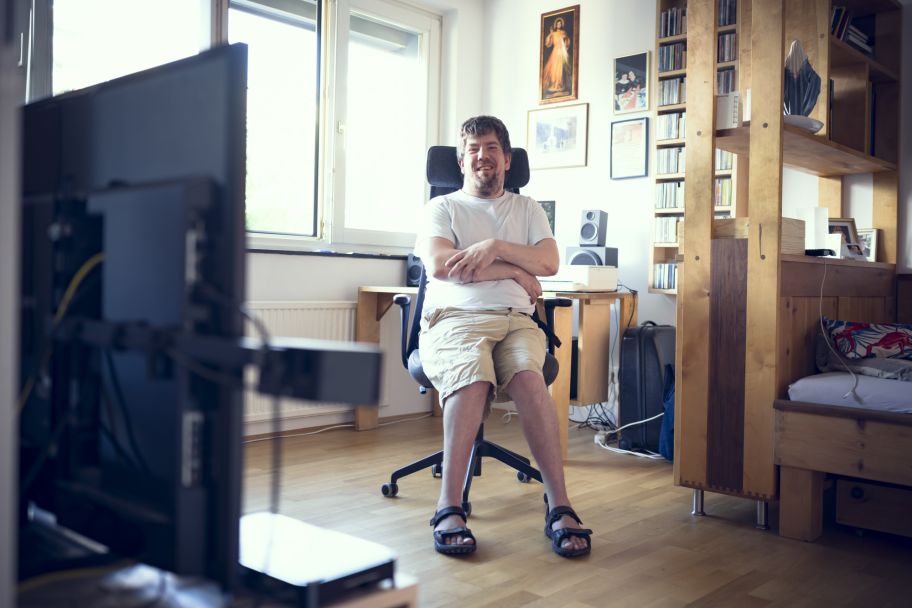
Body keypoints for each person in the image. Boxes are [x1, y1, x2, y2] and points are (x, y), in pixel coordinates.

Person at [415, 115, 592, 558]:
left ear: (507, 159)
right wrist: (514, 268)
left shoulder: (528, 209)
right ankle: (449, 506)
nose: (482, 156)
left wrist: (492, 247)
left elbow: (548, 263)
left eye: (491, 147)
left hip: (516, 320)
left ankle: (560, 505)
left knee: (531, 381)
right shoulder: (443, 208)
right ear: (460, 161)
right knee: (472, 379)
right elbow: (442, 266)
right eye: (473, 149)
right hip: (455, 318)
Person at [542, 17, 571, 96]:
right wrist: (550, 34)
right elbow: (548, 43)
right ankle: (554, 84)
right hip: (555, 51)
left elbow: (567, 42)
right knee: (554, 68)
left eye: (560, 23)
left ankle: (559, 84)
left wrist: (565, 38)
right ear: (556, 25)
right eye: (558, 24)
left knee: (560, 69)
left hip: (561, 52)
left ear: (561, 24)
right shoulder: (553, 33)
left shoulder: (563, 32)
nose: (559, 25)